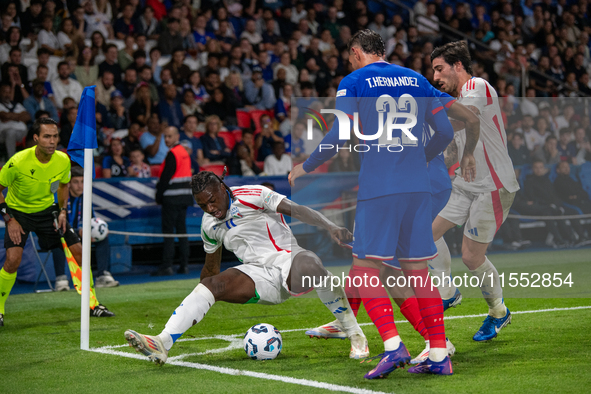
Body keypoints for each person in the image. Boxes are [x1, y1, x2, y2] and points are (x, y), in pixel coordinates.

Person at [290, 30, 455, 377]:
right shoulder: (416, 78)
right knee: (417, 271)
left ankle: (394, 347)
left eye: (350, 56)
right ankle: (439, 353)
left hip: (380, 187)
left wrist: (305, 166)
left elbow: (340, 132)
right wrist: (419, 159)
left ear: (355, 52)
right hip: (417, 188)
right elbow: (445, 132)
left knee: (364, 269)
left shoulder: (353, 81)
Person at [124, 171, 367, 364]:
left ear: (222, 188)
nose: (210, 209)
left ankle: (354, 333)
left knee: (311, 262)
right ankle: (162, 342)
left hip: (290, 260)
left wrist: (331, 227)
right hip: (256, 275)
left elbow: (299, 211)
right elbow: (210, 270)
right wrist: (200, 301)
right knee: (212, 285)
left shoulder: (255, 194)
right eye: (202, 205)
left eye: (212, 200)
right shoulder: (209, 224)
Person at [427, 41, 521, 343]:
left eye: (439, 69)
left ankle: (498, 311)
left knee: (470, 256)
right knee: (425, 236)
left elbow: (461, 121)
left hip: (493, 186)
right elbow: (451, 153)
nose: (436, 76)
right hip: (465, 185)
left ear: (458, 66)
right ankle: (447, 293)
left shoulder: (477, 86)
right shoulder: (456, 100)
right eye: (432, 71)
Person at [0, 118, 114, 327]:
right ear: (36, 138)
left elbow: (63, 185)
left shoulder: (62, 159)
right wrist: (9, 220)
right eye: (47, 136)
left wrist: (62, 210)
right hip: (18, 214)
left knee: (80, 251)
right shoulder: (18, 161)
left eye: (55, 136)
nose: (52, 141)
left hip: (47, 212)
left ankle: (93, 305)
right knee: (12, 260)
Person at [61, 165, 119, 287]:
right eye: (76, 182)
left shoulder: (86, 198)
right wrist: (78, 232)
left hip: (80, 235)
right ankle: (61, 280)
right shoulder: (62, 198)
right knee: (59, 239)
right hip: (64, 235)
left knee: (102, 237)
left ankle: (102, 276)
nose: (80, 185)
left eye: (82, 181)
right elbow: (59, 226)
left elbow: (92, 220)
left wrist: (100, 230)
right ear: (69, 184)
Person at [152, 126, 193, 276]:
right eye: (165, 137)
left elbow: (165, 178)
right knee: (182, 231)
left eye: (169, 136)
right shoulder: (184, 153)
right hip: (184, 197)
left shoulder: (172, 153)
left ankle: (167, 265)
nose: (167, 139)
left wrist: (158, 196)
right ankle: (184, 265)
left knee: (168, 233)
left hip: (171, 198)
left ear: (176, 136)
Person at [0, 82, 30, 160]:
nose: (7, 94)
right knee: (11, 132)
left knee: (36, 131)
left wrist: (11, 116)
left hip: (22, 132)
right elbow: (4, 116)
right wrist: (20, 116)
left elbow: (27, 116)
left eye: (9, 92)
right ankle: (11, 160)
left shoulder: (16, 105)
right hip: (4, 134)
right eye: (4, 92)